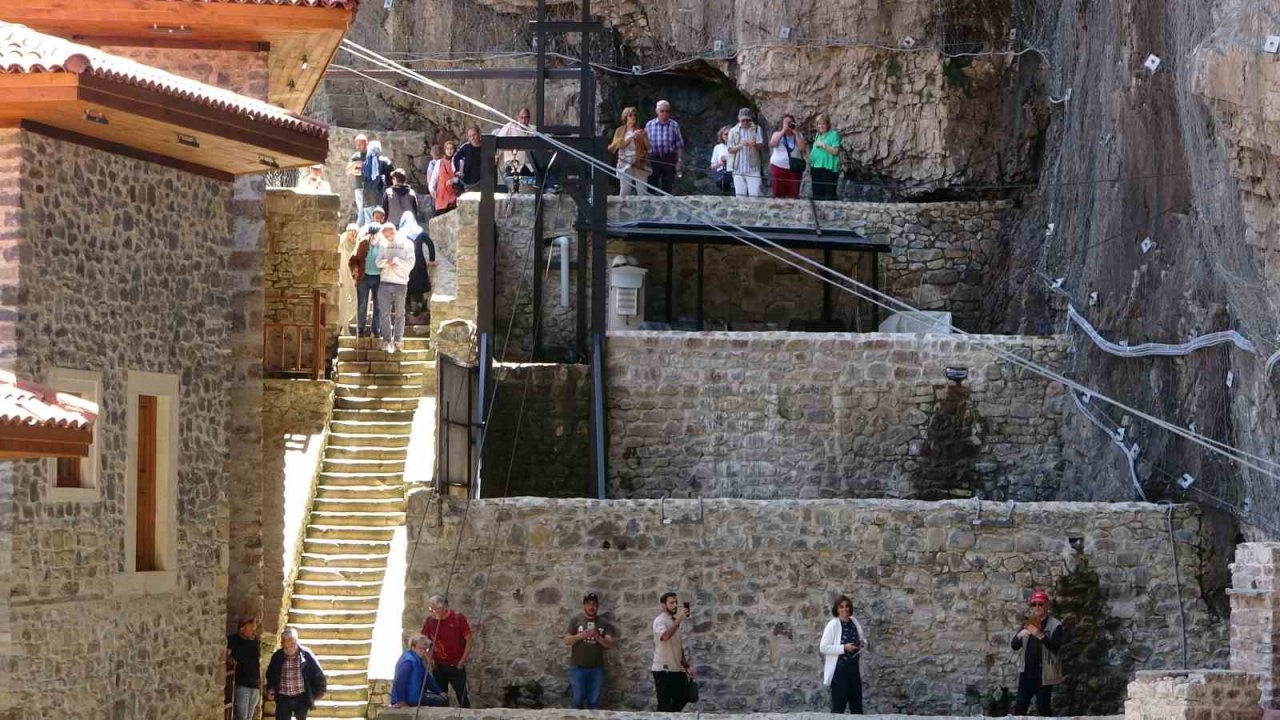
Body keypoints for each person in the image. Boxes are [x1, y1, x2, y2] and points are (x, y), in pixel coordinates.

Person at [1011, 589, 1065, 715]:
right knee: (1019, 709)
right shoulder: (1030, 622)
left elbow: (1056, 648)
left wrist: (1039, 635)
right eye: (1034, 604)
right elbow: (1014, 646)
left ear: (1047, 605)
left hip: (1044, 674)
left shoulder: (1055, 625)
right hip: (1027, 672)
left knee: (1044, 709)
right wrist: (1019, 636)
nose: (1037, 607)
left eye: (1040, 604)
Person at [564, 591, 617, 710]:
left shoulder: (603, 623)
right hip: (578, 667)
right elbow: (567, 640)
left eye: (594, 604)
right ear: (584, 605)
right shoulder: (575, 620)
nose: (591, 607)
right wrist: (580, 636)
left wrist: (598, 637)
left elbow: (610, 644)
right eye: (588, 604)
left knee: (594, 702)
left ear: (597, 606)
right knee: (577, 701)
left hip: (596, 668)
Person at [422, 594, 474, 707]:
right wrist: (430, 661)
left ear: (445, 607)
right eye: (431, 609)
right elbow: (424, 643)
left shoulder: (457, 618)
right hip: (438, 666)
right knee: (441, 697)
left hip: (455, 665)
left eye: (437, 609)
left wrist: (461, 662)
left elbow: (469, 640)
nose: (434, 612)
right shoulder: (429, 621)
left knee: (462, 695)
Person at [820, 595, 869, 714]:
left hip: (853, 668)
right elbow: (823, 647)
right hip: (839, 670)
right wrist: (844, 648)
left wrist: (862, 643)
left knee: (857, 705)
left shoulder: (854, 621)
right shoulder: (833, 624)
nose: (844, 609)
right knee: (838, 707)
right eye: (841, 607)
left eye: (847, 606)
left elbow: (862, 639)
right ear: (837, 609)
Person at [265, 627, 326, 720]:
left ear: (296, 642)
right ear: (282, 644)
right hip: (283, 697)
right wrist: (271, 688)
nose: (289, 649)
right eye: (286, 647)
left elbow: (317, 673)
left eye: (291, 645)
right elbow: (270, 675)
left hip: (301, 696)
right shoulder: (277, 656)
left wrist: (317, 693)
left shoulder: (306, 655)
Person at [651, 591, 694, 712]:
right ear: (663, 605)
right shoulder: (659, 621)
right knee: (664, 705)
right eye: (671, 603)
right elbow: (665, 637)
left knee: (684, 697)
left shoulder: (673, 620)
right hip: (663, 669)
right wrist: (679, 620)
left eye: (676, 602)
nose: (675, 605)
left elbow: (677, 645)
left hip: (675, 668)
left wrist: (686, 666)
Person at [375, 222, 415, 354]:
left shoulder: (408, 244)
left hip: (401, 282)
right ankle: (386, 340)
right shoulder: (383, 243)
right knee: (384, 313)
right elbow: (378, 262)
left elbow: (411, 263)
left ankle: (398, 340)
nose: (387, 239)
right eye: (385, 237)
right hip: (385, 281)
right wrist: (387, 262)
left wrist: (397, 261)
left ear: (394, 232)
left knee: (400, 313)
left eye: (388, 236)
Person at [391, 635, 448, 708]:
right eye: (421, 649)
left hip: (415, 695)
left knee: (443, 699)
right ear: (413, 647)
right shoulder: (408, 661)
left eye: (426, 649)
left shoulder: (417, 661)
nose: (424, 652)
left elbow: (426, 678)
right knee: (441, 702)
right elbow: (400, 680)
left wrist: (439, 691)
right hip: (409, 698)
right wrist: (401, 701)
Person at [349, 220, 382, 338]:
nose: (373, 236)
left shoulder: (383, 244)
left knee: (379, 305)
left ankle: (376, 330)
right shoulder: (363, 243)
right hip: (364, 277)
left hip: (379, 278)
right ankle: (360, 329)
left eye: (375, 234)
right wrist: (355, 269)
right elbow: (353, 259)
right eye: (371, 234)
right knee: (362, 304)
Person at [644, 100, 684, 194]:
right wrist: (645, 159)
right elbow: (644, 144)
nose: (664, 113)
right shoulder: (649, 125)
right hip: (654, 158)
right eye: (662, 111)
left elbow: (679, 145)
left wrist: (679, 160)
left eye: (667, 111)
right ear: (657, 111)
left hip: (669, 158)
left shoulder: (674, 125)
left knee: (668, 186)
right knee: (651, 185)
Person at [400, 213, 435, 318]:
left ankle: (405, 308)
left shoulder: (401, 233)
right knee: (419, 285)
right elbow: (430, 244)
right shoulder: (419, 232)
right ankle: (417, 307)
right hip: (418, 262)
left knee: (406, 284)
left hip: (405, 262)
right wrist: (432, 259)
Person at [227, 616, 262, 720]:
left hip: (254, 685)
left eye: (254, 629)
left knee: (249, 717)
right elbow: (227, 655)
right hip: (242, 684)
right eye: (250, 629)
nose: (253, 631)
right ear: (242, 629)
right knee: (241, 717)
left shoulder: (254, 641)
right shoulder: (233, 640)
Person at [609, 106, 649, 196]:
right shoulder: (619, 131)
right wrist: (631, 137)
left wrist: (645, 137)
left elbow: (648, 147)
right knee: (624, 191)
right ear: (625, 117)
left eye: (634, 115)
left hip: (639, 162)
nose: (633, 117)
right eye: (630, 115)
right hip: (624, 163)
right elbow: (619, 146)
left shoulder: (640, 131)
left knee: (642, 191)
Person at [769, 113, 807, 199]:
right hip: (779, 168)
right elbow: (773, 144)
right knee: (778, 194)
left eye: (790, 123)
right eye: (786, 123)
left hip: (794, 169)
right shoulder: (777, 134)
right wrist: (783, 131)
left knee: (794, 194)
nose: (788, 125)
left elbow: (802, 148)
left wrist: (796, 133)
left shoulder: (798, 135)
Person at [727, 108, 764, 197]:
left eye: (747, 120)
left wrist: (754, 145)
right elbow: (730, 149)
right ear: (739, 119)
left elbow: (761, 147)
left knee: (755, 195)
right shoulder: (733, 131)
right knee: (740, 196)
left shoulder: (757, 129)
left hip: (753, 168)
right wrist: (741, 144)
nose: (745, 122)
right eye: (743, 120)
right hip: (738, 168)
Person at [497, 107, 535, 189]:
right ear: (518, 118)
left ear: (529, 118)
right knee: (515, 188)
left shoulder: (533, 129)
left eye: (526, 117)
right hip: (513, 166)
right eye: (521, 117)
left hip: (529, 166)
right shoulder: (510, 127)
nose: (524, 120)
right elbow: (498, 140)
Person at [360, 139, 394, 224]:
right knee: (381, 220)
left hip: (368, 197)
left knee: (369, 221)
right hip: (381, 195)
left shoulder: (366, 162)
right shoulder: (386, 161)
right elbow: (391, 179)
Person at [809, 113, 842, 201]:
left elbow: (835, 151)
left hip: (828, 169)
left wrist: (824, 145)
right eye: (819, 124)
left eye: (823, 123)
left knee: (830, 196)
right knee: (817, 196)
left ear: (828, 124)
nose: (821, 126)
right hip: (816, 168)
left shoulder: (834, 134)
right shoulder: (818, 135)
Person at [337, 223, 360, 336]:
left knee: (355, 301)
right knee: (344, 302)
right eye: (352, 232)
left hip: (354, 277)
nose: (354, 234)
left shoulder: (358, 243)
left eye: (356, 232)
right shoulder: (341, 242)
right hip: (343, 276)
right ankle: (344, 327)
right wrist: (340, 278)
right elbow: (338, 261)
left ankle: (347, 321)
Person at [453, 126, 484, 192]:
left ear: (479, 134)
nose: (472, 138)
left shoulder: (486, 146)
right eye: (470, 136)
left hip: (484, 180)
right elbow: (455, 158)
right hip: (469, 181)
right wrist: (457, 170)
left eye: (474, 135)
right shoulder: (466, 147)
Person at [434, 141, 460, 215]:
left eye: (451, 149)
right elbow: (434, 178)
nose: (449, 151)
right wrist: (432, 189)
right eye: (447, 148)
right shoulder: (439, 162)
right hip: (441, 194)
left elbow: (461, 178)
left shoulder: (458, 162)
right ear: (445, 150)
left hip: (453, 195)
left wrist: (453, 180)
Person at [348, 133, 369, 220]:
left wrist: (362, 168)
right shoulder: (356, 156)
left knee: (368, 212)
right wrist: (355, 168)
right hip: (359, 187)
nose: (358, 147)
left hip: (369, 188)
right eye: (357, 145)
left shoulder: (371, 155)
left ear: (366, 143)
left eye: (360, 144)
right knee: (361, 211)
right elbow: (348, 170)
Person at [708, 125, 733, 194]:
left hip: (735, 173)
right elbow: (712, 166)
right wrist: (721, 163)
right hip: (723, 173)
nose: (728, 136)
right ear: (721, 135)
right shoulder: (718, 147)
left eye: (730, 134)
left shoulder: (735, 146)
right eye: (726, 134)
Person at [425, 144, 444, 215]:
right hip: (435, 189)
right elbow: (429, 177)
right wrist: (431, 189)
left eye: (438, 157)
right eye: (434, 157)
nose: (436, 159)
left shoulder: (445, 161)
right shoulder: (432, 163)